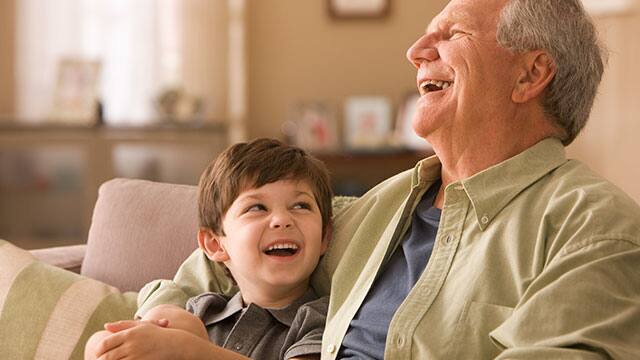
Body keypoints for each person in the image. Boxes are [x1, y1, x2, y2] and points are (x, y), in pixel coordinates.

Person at [135, 0, 640, 358]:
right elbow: (218, 257)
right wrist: (159, 323)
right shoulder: (373, 209)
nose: (416, 49)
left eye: (453, 34)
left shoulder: (594, 228)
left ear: (530, 76)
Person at [84, 138, 334, 360]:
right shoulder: (202, 310)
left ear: (324, 237)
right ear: (215, 244)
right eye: (257, 208)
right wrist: (104, 347)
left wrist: (191, 350)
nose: (282, 219)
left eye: (300, 206)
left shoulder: (321, 319)